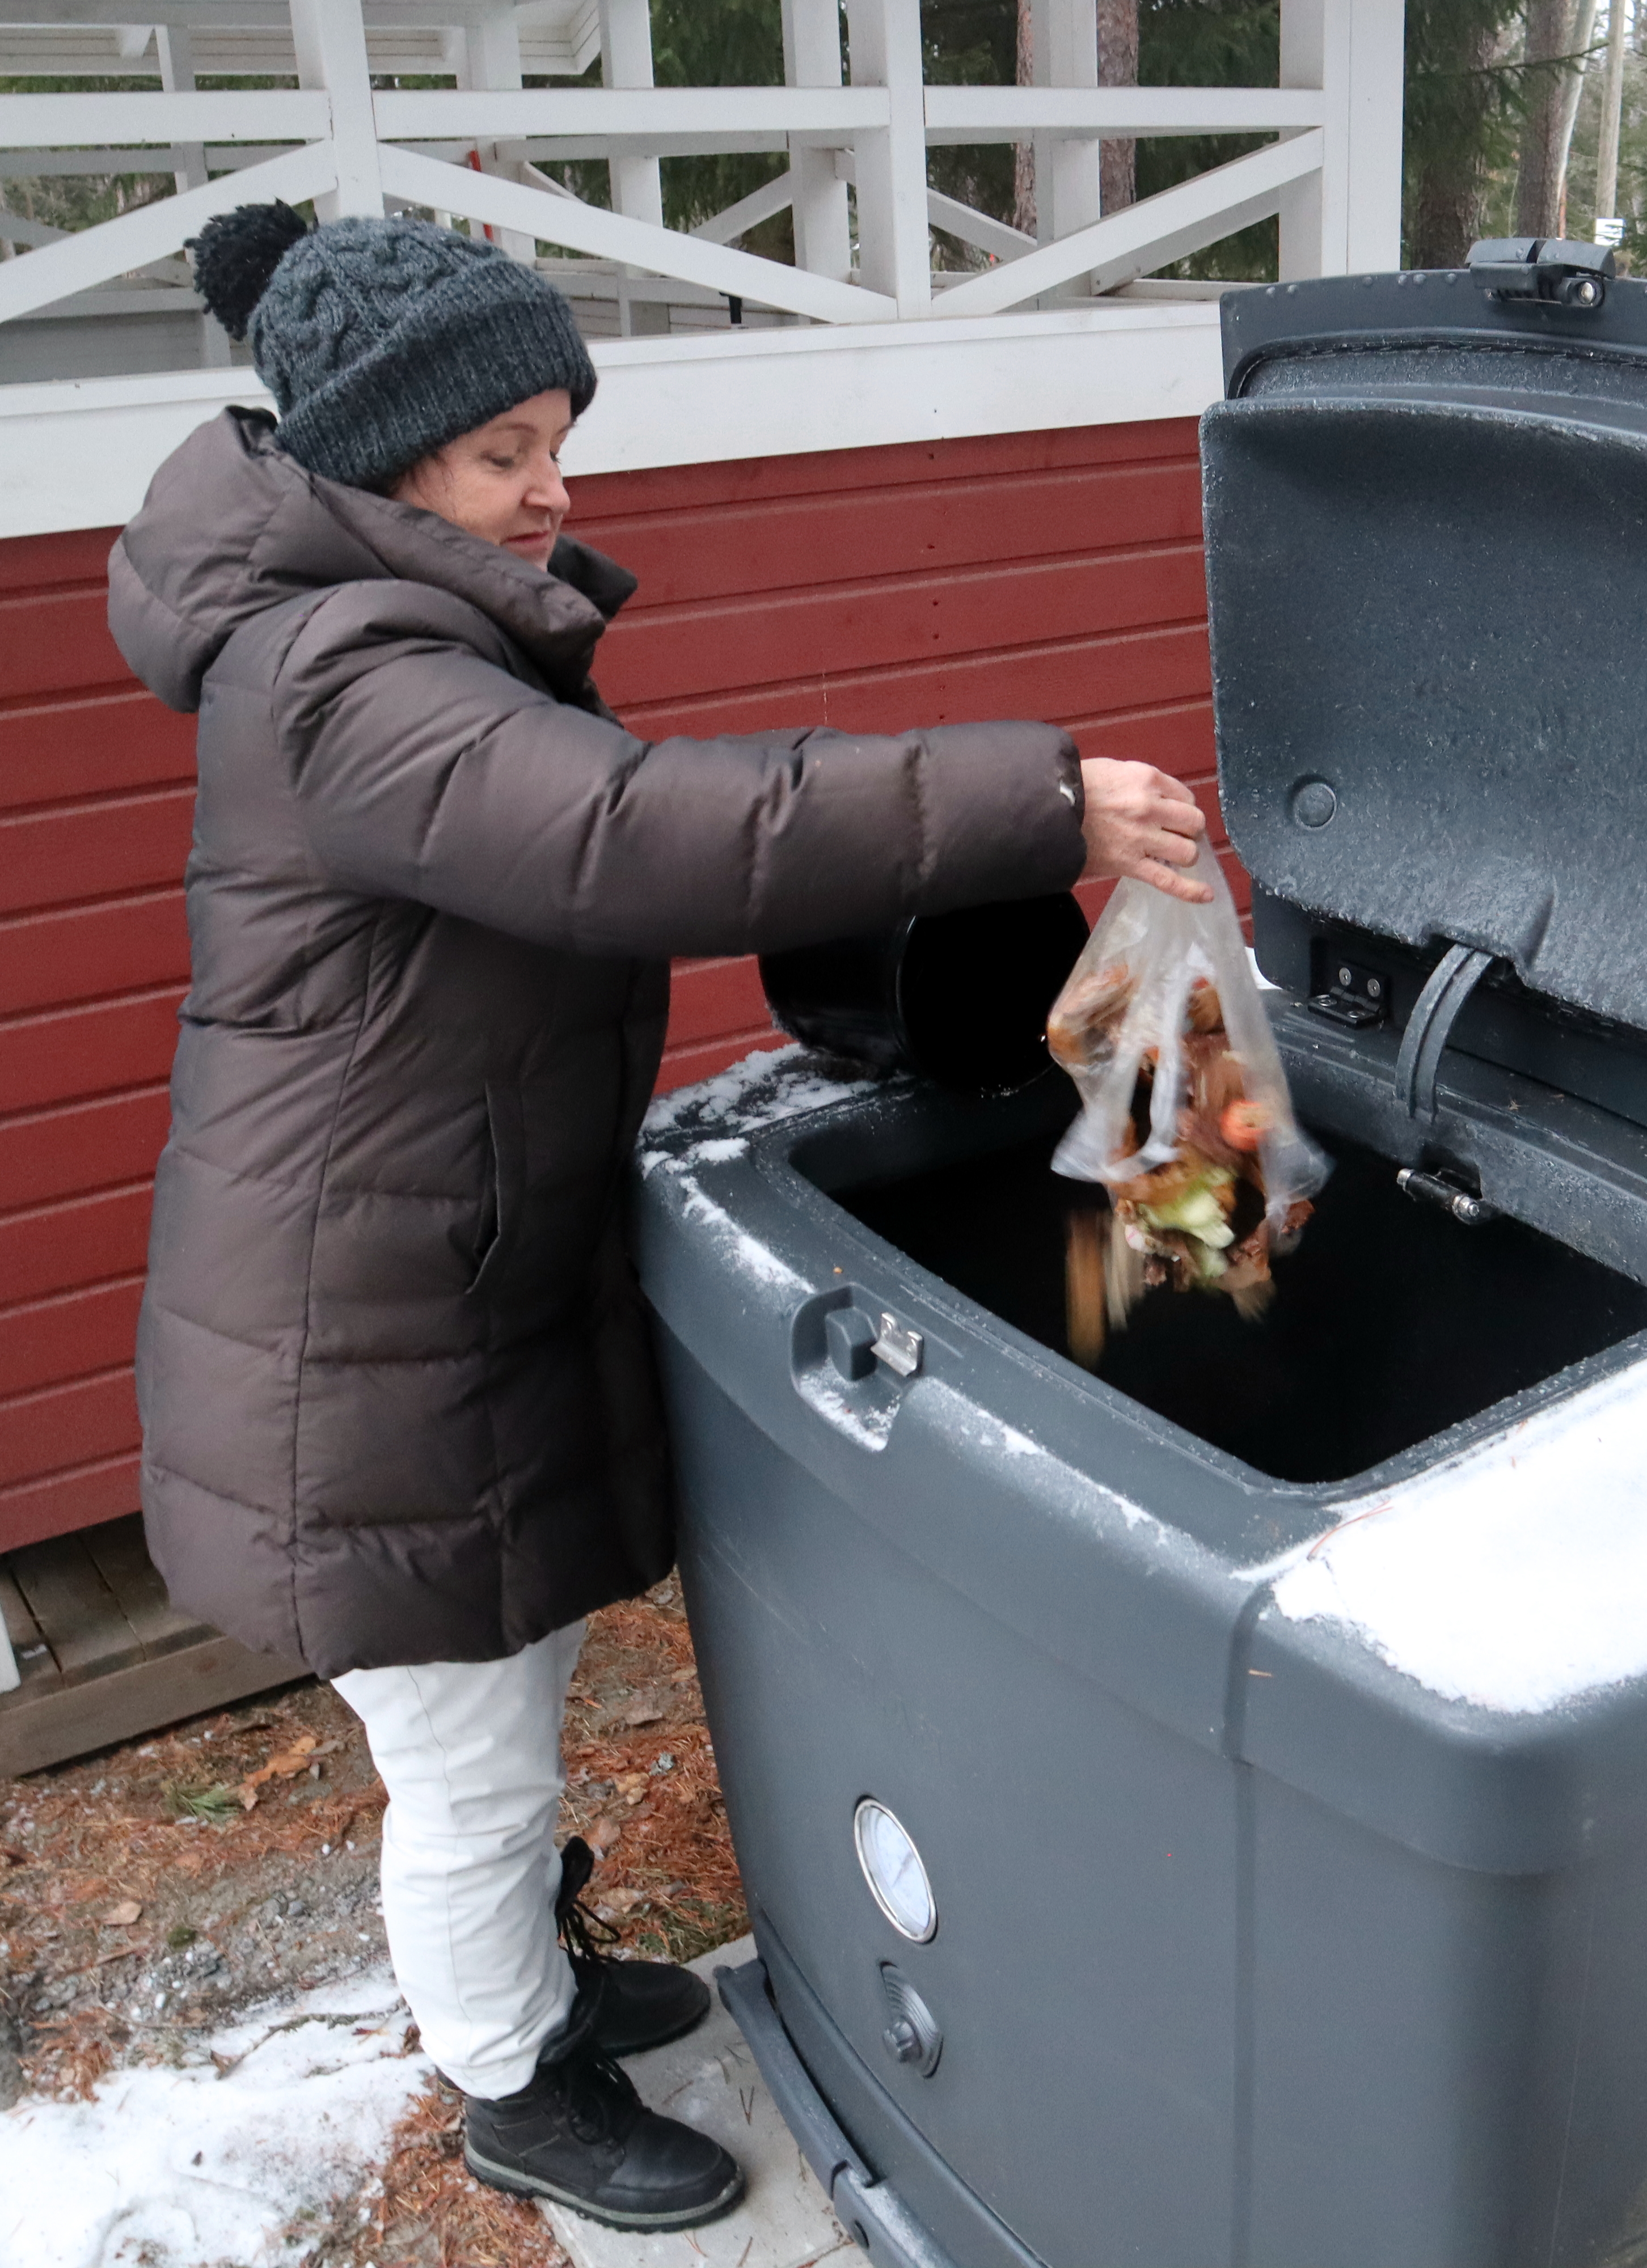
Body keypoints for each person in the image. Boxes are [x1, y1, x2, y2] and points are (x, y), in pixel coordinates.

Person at [107, 200, 1211, 2236]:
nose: (556, 487)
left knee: (498, 1695)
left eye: (557, 438)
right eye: (509, 451)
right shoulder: (349, 671)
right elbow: (623, 840)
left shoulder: (366, 634)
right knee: (468, 1762)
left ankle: (528, 1990)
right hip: (352, 1333)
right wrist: (1033, 799)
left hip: (405, 1268)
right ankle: (512, 2087)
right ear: (379, 453)